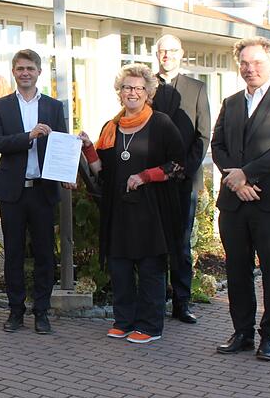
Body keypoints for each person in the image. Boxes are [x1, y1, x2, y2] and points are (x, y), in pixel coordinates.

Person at [212, 37, 270, 361]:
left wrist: (246, 175)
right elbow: (217, 144)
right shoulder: (232, 101)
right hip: (235, 201)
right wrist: (235, 182)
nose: (250, 69)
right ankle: (242, 332)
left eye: (257, 63)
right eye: (245, 63)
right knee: (236, 270)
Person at [80, 63, 184, 344]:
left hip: (151, 209)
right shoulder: (111, 127)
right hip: (119, 209)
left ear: (148, 92)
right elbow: (102, 169)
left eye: (138, 88)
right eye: (127, 87)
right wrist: (89, 147)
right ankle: (123, 321)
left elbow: (178, 164)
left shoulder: (161, 123)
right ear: (120, 92)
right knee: (120, 266)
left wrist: (145, 175)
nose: (132, 92)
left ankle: (150, 326)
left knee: (150, 267)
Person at [0, 49, 69, 334]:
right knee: (13, 254)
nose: (25, 73)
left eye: (30, 68)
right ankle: (15, 311)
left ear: (39, 72)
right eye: (20, 68)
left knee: (45, 254)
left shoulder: (53, 106)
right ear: (14, 72)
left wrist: (68, 172)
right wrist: (28, 137)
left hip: (43, 191)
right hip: (13, 192)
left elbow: (61, 144)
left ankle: (42, 312)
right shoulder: (0, 106)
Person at [152, 34, 211, 324]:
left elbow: (203, 135)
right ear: (157, 54)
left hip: (184, 179)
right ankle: (156, 297)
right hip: (152, 178)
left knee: (181, 243)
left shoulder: (197, 88)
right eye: (163, 51)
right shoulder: (146, 85)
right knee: (155, 240)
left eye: (173, 51)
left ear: (181, 53)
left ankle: (182, 301)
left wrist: (182, 169)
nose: (167, 56)